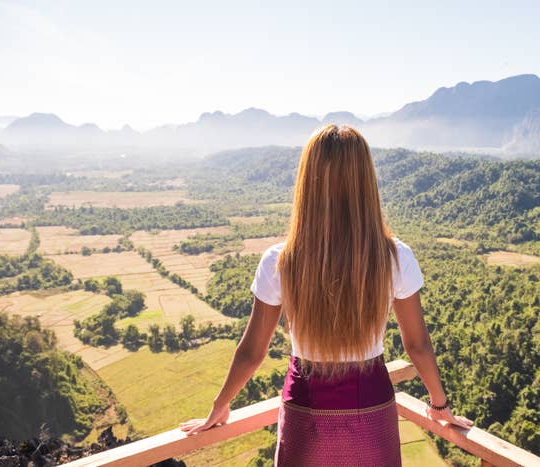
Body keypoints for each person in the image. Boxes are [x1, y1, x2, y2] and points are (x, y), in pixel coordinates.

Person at [180, 124, 473, 465]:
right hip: (373, 408)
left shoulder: (280, 260)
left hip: (305, 409)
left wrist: (219, 406)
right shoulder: (395, 257)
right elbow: (417, 345)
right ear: (366, 181)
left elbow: (252, 352)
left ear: (307, 181)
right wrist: (439, 405)